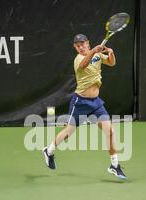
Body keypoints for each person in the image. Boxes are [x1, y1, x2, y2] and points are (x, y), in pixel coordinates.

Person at [42, 34, 127, 180]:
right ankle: (49, 151)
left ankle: (114, 165)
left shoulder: (98, 55)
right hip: (80, 102)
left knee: (110, 131)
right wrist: (93, 51)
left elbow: (111, 63)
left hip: (96, 103)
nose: (81, 47)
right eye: (78, 45)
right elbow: (83, 65)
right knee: (68, 132)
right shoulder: (79, 59)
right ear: (75, 47)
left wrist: (111, 53)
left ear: (88, 43)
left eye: (83, 44)